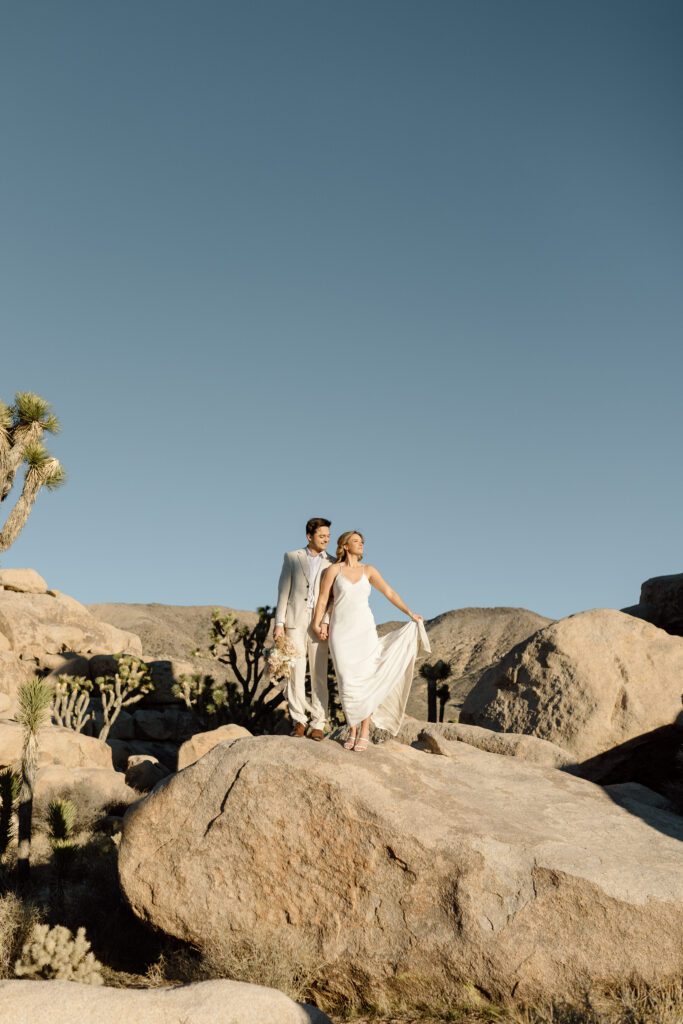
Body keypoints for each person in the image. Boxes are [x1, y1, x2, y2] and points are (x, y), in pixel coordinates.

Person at [312, 530, 430, 752]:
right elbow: (323, 600)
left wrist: (409, 613)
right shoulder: (333, 570)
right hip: (341, 632)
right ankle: (352, 729)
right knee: (346, 680)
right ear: (345, 546)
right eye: (356, 541)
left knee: (365, 678)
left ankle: (364, 731)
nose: (361, 545)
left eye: (362, 542)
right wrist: (317, 624)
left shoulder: (369, 570)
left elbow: (389, 592)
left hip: (364, 630)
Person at [274, 517, 334, 740]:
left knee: (319, 673)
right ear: (309, 536)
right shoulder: (292, 557)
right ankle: (299, 720)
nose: (326, 539)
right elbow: (283, 592)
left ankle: (319, 722)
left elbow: (332, 599)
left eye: (328, 536)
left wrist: (326, 621)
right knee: (295, 672)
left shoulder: (333, 562)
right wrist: (279, 623)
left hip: (319, 623)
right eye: (322, 536)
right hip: (294, 621)